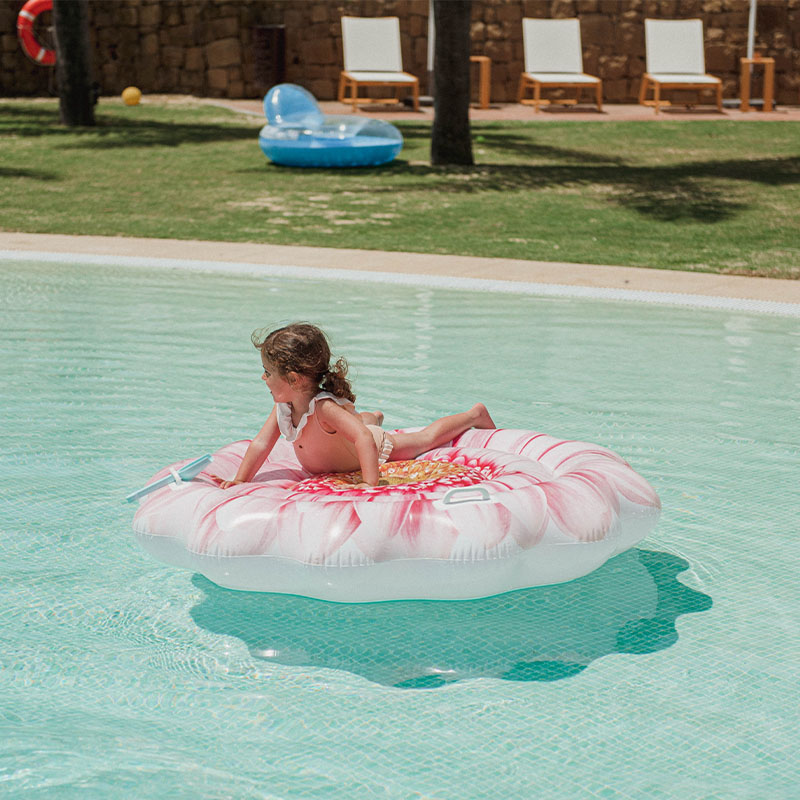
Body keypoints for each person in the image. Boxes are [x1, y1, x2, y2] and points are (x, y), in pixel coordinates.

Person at [212, 322, 495, 489]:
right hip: (352, 433)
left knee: (422, 440)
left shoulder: (324, 409)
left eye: (267, 371)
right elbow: (261, 444)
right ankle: (372, 417)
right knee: (361, 422)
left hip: (372, 444)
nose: (263, 377)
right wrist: (241, 480)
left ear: (294, 379)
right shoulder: (284, 408)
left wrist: (370, 484)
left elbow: (361, 438)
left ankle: (473, 414)